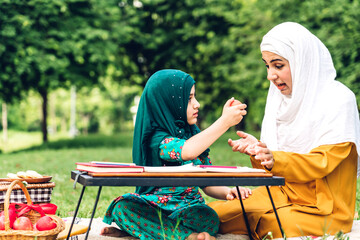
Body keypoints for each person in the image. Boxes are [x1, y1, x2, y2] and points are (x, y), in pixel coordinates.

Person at [208, 22, 360, 239]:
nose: (271, 75)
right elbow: (275, 166)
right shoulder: (280, 100)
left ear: (301, 62)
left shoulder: (338, 99)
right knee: (212, 213)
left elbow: (323, 162)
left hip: (324, 206)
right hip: (280, 192)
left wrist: (274, 158)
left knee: (271, 223)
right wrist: (259, 150)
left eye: (278, 66)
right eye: (267, 66)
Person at [100, 69, 251, 240]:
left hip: (189, 210)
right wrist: (224, 122)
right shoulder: (156, 139)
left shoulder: (192, 135)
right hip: (155, 206)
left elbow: (206, 182)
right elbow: (186, 151)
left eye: (195, 97)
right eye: (188, 99)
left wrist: (228, 192)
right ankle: (187, 237)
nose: (197, 104)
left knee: (209, 218)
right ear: (168, 104)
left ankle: (146, 232)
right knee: (123, 207)